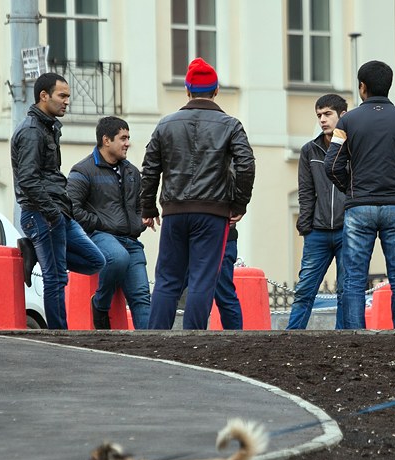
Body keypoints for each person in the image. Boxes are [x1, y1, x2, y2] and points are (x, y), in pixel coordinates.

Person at [140, 57, 255, 330]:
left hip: (174, 212)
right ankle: (193, 336)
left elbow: (150, 168)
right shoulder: (231, 125)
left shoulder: (165, 124)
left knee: (167, 279)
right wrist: (239, 204)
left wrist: (148, 208)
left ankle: (156, 336)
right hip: (213, 213)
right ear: (216, 91)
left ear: (187, 90)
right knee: (203, 279)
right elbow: (246, 164)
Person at [323, 61, 395, 329]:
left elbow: (332, 165)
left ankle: (355, 336)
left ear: (362, 87)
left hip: (359, 207)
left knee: (354, 279)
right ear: (388, 85)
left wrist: (350, 188)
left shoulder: (347, 121)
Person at [11, 72, 106, 330]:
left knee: (95, 260)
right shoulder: (32, 131)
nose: (67, 101)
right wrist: (52, 212)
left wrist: (60, 211)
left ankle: (34, 251)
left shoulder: (49, 127)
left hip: (58, 212)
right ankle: (59, 335)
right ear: (44, 96)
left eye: (68, 96)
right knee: (55, 278)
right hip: (42, 213)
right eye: (62, 96)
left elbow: (49, 175)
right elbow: (28, 179)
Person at [68, 116, 151, 330]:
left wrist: (139, 222)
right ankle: (100, 304)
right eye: (123, 138)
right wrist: (100, 223)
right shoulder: (83, 170)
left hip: (131, 240)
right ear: (106, 140)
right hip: (100, 236)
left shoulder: (132, 172)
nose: (127, 143)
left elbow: (140, 204)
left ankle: (150, 344)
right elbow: (71, 208)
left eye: (128, 138)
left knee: (142, 296)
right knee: (118, 257)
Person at [287, 94, 349, 330]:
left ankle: (345, 338)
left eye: (328, 114)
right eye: (319, 115)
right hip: (317, 233)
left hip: (347, 231)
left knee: (346, 291)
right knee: (304, 290)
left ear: (342, 116)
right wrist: (306, 228)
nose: (323, 120)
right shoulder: (309, 150)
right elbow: (305, 192)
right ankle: (292, 337)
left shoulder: (354, 149)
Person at [213, 223, 243, 330]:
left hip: (223, 236)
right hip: (223, 233)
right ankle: (236, 337)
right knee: (225, 296)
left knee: (171, 289)